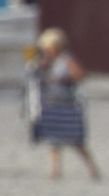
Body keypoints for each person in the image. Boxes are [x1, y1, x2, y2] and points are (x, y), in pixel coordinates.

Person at [25, 27, 101, 180]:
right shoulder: (47, 61)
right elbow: (34, 74)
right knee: (53, 141)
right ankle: (55, 171)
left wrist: (62, 80)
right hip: (52, 106)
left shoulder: (67, 59)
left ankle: (92, 169)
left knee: (77, 141)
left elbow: (80, 75)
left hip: (68, 107)